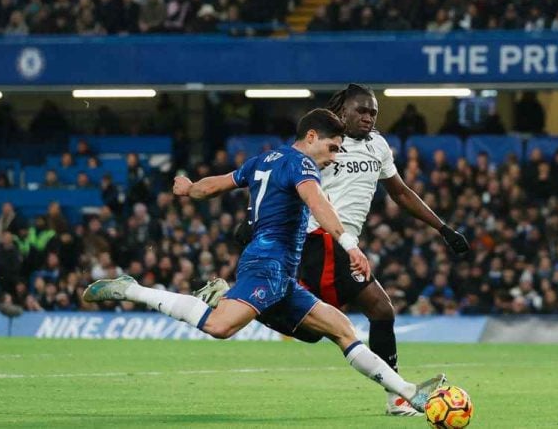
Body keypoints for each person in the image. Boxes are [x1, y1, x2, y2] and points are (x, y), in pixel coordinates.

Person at [84, 109, 444, 414]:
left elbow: (215, 186)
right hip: (268, 264)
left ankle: (410, 393)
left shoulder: (265, 159)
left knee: (342, 329)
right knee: (220, 327)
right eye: (332, 148)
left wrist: (189, 188)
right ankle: (134, 290)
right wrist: (351, 245)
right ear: (312, 136)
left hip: (281, 272)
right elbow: (319, 205)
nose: (334, 156)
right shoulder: (302, 164)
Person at [189, 84, 471, 416]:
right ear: (342, 112)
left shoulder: (378, 147)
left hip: (343, 245)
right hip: (311, 241)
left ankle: (396, 398)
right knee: (345, 320)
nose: (368, 117)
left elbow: (402, 193)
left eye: (373, 112)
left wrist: (442, 227)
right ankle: (231, 300)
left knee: (361, 317)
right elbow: (280, 180)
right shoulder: (322, 146)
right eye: (361, 111)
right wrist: (256, 220)